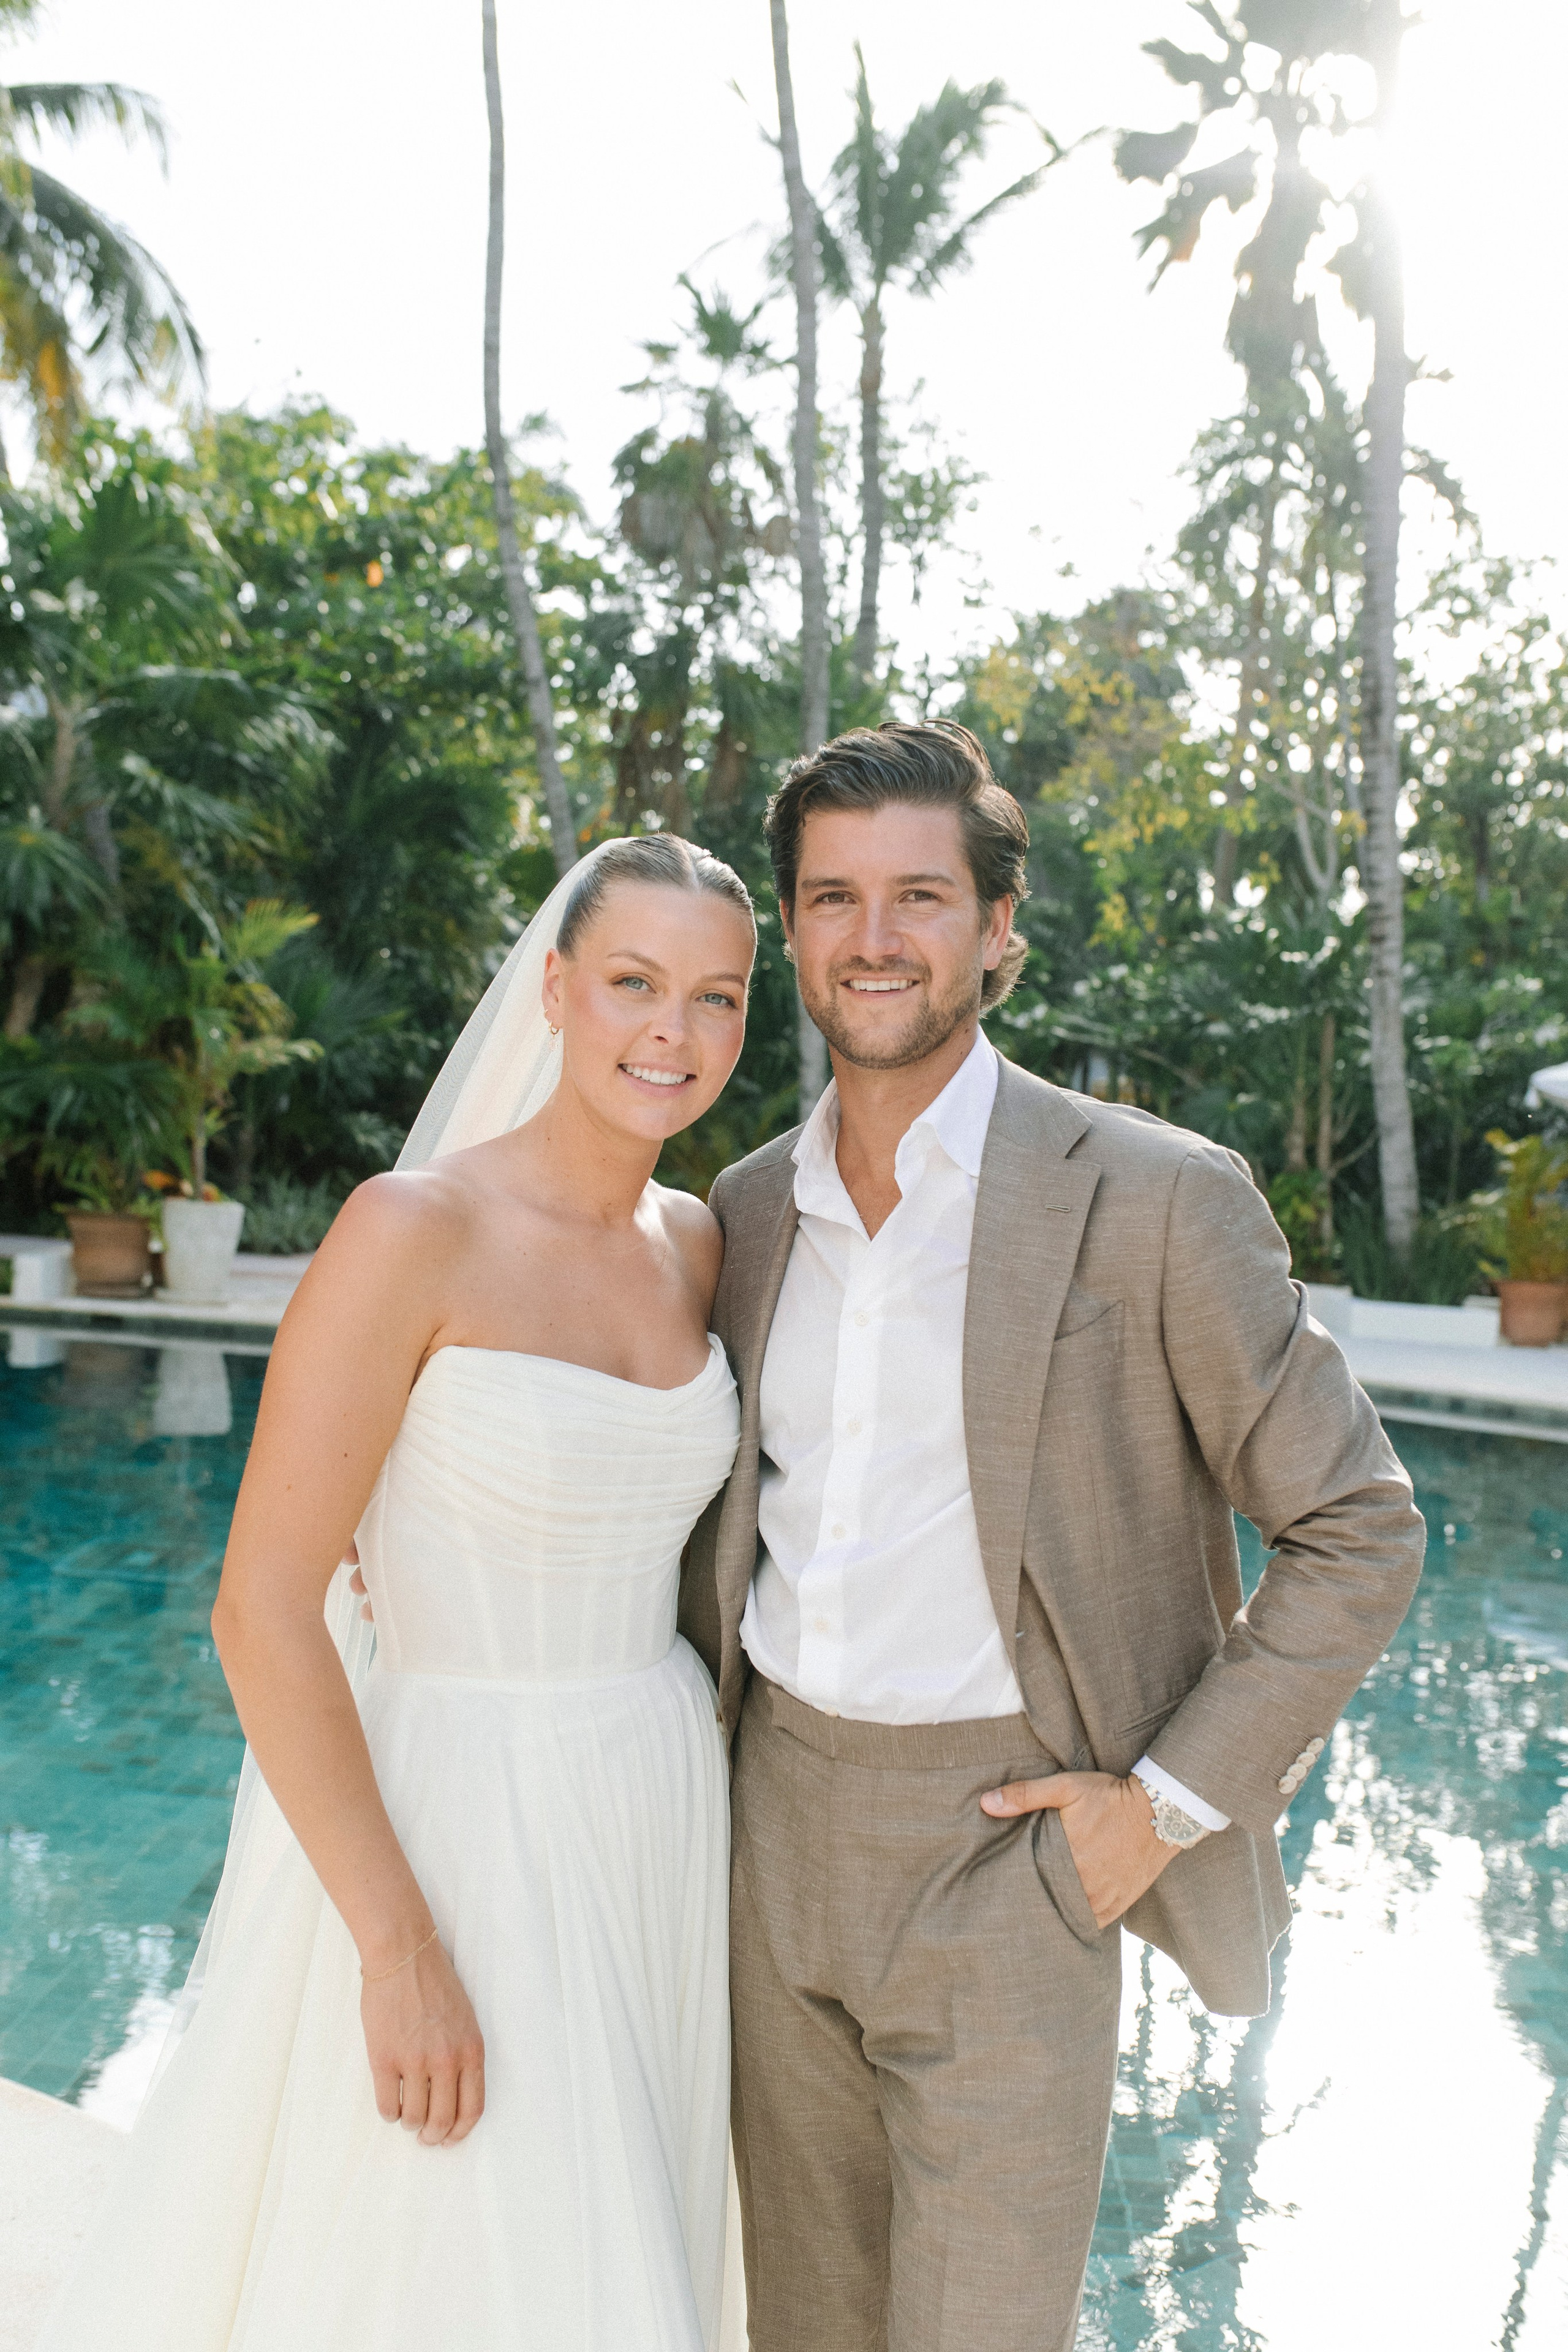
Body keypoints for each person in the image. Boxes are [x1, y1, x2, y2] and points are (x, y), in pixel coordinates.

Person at [677, 720, 1426, 2352]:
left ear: (998, 930)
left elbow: (1358, 1528)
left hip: (1012, 1858)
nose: (876, 938)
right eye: (834, 898)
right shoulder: (735, 1216)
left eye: (922, 897)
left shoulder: (1156, 1198)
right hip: (768, 1840)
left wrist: (1157, 1809)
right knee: (801, 2326)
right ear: (793, 933)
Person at [39, 834, 758, 2352]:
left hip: (657, 1801)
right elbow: (261, 1608)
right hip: (464, 1819)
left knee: (622, 2251)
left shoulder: (695, 1244)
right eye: (632, 983)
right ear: (555, 991)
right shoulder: (412, 1228)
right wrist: (398, 1946)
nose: (671, 1034)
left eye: (716, 998)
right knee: (467, 2262)